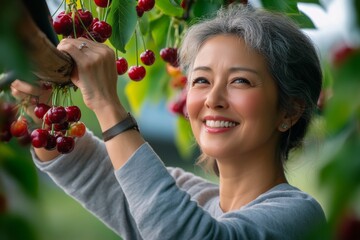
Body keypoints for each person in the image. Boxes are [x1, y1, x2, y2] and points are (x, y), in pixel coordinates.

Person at [11, 4, 326, 240]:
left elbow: (181, 232)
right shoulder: (189, 196)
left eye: (240, 81)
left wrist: (107, 103)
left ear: (289, 112)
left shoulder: (299, 216)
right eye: (201, 80)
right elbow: (82, 166)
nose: (212, 99)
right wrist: (44, 103)